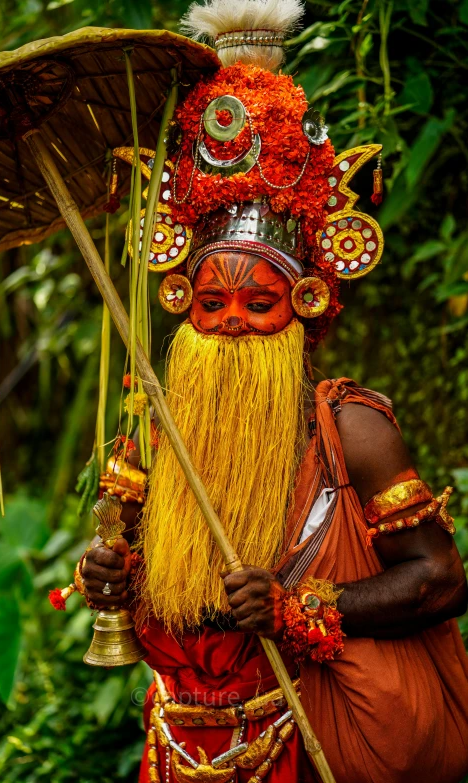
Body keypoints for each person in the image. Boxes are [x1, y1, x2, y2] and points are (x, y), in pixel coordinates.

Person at [79, 1, 468, 780]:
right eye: (213, 303)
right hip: (177, 746)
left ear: (306, 308)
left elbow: (440, 579)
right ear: (182, 304)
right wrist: (108, 576)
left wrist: (303, 610)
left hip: (306, 738)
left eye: (260, 304)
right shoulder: (154, 429)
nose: (231, 325)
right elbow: (134, 571)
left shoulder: (350, 429)